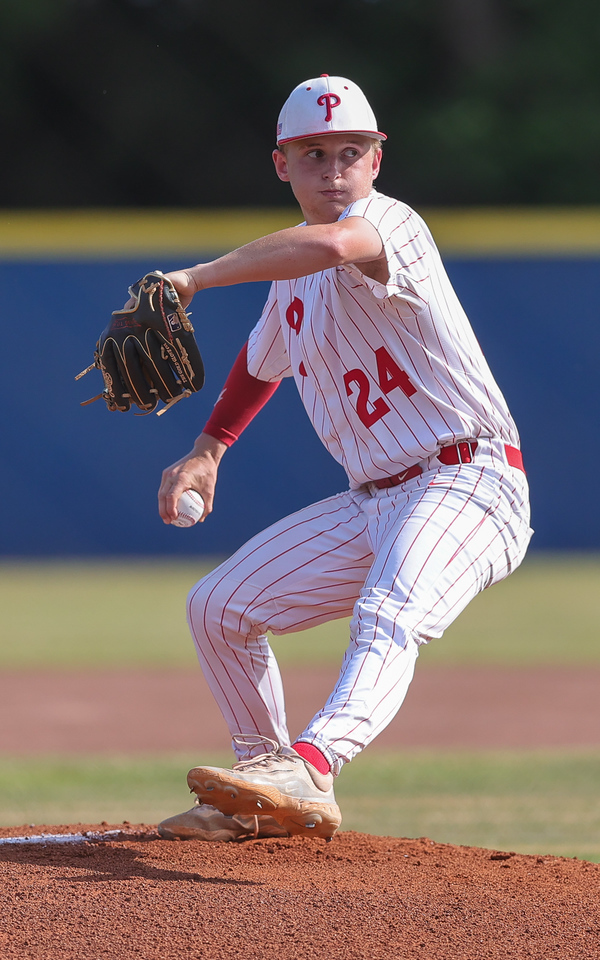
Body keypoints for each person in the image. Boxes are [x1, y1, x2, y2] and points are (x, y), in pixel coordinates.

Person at [155, 75, 532, 842]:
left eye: (350, 152)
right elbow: (261, 364)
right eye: (313, 153)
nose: (334, 169)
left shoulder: (391, 225)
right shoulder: (292, 287)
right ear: (281, 165)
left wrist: (190, 278)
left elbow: (331, 243)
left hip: (470, 478)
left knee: (387, 612)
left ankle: (313, 763)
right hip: (373, 501)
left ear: (376, 162)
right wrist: (208, 449)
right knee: (219, 607)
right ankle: (260, 790)